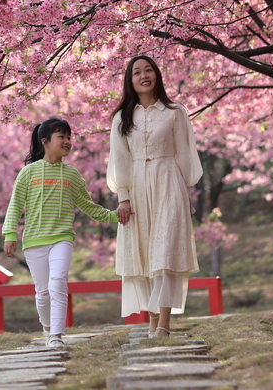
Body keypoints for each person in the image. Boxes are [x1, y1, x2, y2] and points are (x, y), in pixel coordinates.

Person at [3, 117, 120, 349]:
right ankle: (46, 329)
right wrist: (10, 234)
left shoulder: (72, 175)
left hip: (62, 238)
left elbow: (88, 205)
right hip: (34, 240)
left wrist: (113, 215)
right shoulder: (28, 173)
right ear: (45, 141)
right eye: (62, 137)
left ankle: (56, 335)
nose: (67, 141)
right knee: (43, 292)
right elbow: (15, 205)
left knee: (58, 282)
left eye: (69, 137)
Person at [107, 55, 203, 337]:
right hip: (136, 187)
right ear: (130, 80)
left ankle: (163, 322)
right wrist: (123, 197)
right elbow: (119, 159)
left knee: (165, 251)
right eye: (137, 72)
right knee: (143, 252)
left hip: (169, 183)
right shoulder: (122, 118)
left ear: (158, 75)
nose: (144, 75)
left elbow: (185, 155)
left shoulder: (175, 112)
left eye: (149, 70)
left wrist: (185, 195)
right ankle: (150, 319)